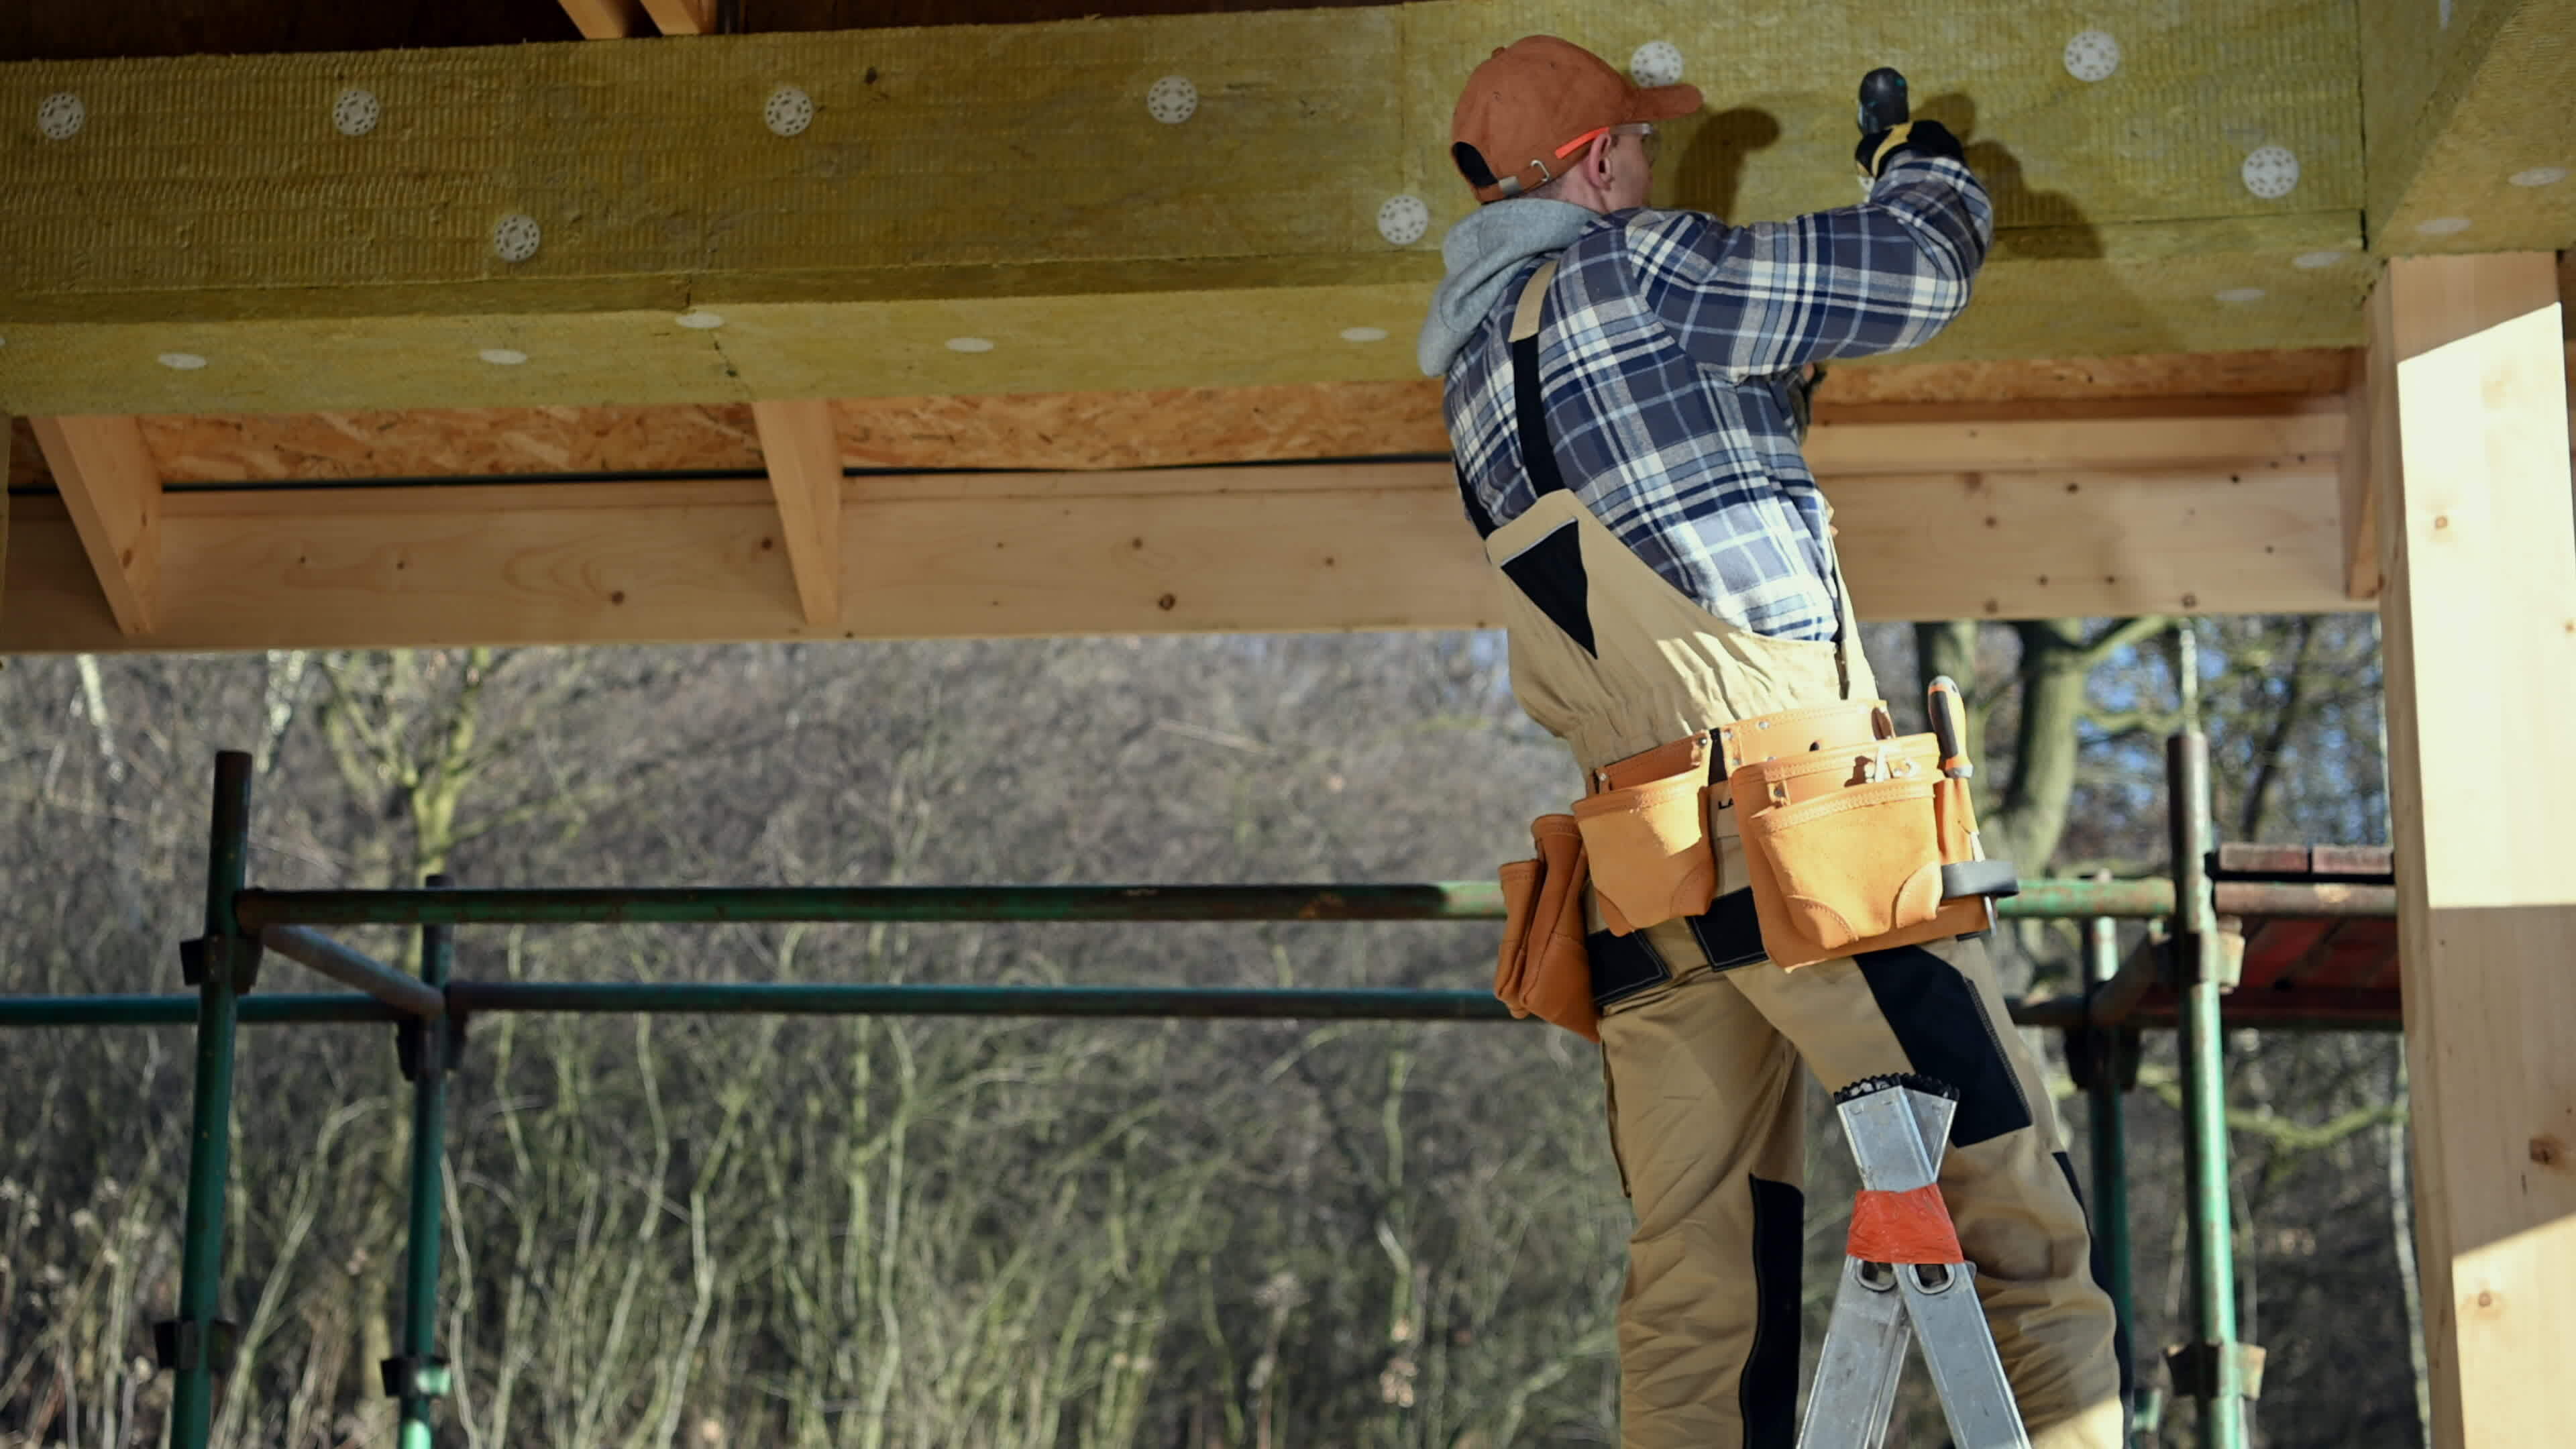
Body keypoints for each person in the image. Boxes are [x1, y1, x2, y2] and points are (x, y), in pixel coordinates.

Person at [1418, 36, 2126, 1449]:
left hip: (1642, 883)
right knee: (2009, 1206)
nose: (1656, 169)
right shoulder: (1639, 269)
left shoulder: (1474, 379)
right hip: (1808, 844)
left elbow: (1671, 471)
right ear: (1596, 165)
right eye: (1642, 147)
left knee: (1696, 1287)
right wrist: (1922, 169)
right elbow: (1911, 274)